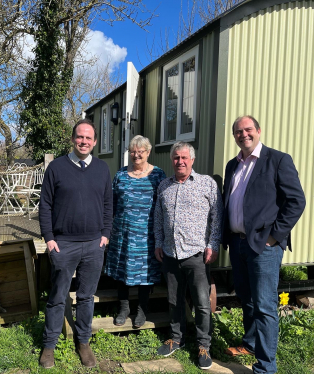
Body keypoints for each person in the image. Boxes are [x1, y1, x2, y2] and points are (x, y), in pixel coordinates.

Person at [222, 115, 305, 374]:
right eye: (238, 131)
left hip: (264, 246)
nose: (243, 134)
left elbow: (296, 201)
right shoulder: (232, 165)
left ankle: (266, 367)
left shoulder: (278, 160)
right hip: (237, 244)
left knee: (265, 305)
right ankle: (250, 343)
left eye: (248, 130)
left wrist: (275, 236)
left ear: (258, 131)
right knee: (246, 298)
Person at [39, 118, 113, 369]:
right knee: (58, 297)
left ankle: (83, 342)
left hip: (94, 244)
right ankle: (49, 345)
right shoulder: (57, 168)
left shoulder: (102, 168)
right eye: (79, 137)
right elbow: (45, 205)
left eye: (88, 138)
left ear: (94, 142)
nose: (84, 141)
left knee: (85, 297)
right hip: (63, 244)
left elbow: (107, 204)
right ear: (72, 139)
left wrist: (105, 234)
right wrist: (49, 238)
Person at [154, 141, 223, 370]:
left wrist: (213, 244)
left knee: (202, 304)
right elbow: (158, 218)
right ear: (172, 160)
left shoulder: (206, 184)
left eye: (184, 158)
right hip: (171, 253)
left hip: (197, 254)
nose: (180, 162)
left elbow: (217, 217)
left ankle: (204, 345)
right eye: (176, 158)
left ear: (192, 160)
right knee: (174, 300)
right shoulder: (164, 185)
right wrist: (158, 243)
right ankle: (177, 338)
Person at [104, 135, 166, 328]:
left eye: (141, 151)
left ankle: (142, 309)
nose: (136, 155)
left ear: (148, 152)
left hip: (147, 234)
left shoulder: (158, 175)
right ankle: (123, 309)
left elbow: (163, 206)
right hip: (122, 232)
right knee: (122, 270)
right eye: (133, 151)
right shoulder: (121, 175)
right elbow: (112, 204)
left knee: (145, 272)